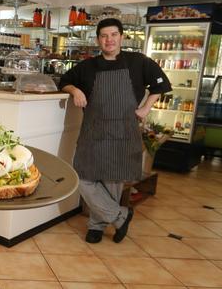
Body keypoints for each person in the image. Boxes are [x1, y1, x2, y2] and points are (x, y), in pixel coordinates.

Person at [59, 18, 171, 244]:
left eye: (113, 35)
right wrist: (74, 90)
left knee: (112, 182)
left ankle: (96, 226)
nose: (108, 40)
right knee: (82, 177)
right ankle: (120, 215)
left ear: (121, 37)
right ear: (98, 39)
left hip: (123, 132)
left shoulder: (138, 62)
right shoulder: (88, 66)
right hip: (93, 132)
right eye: (103, 36)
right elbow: (64, 80)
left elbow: (161, 85)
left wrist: (145, 108)